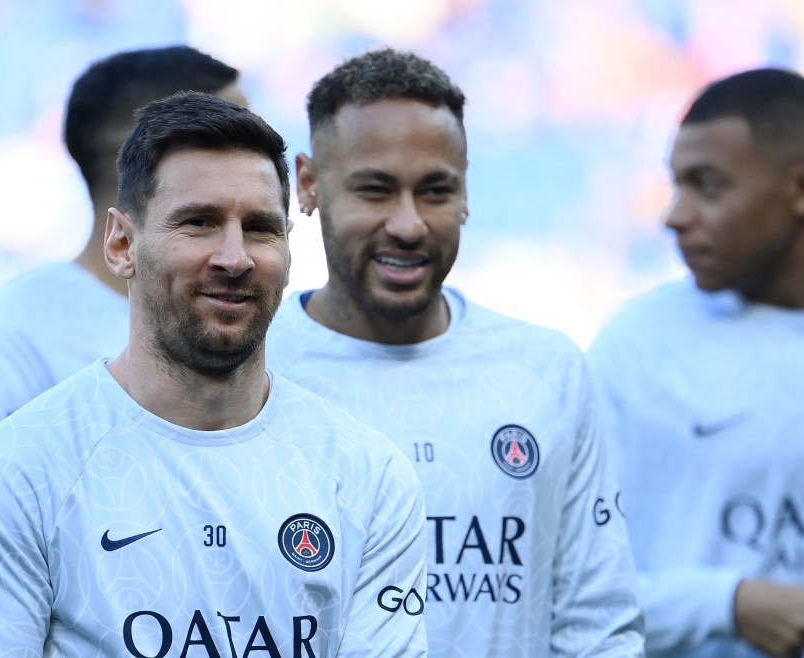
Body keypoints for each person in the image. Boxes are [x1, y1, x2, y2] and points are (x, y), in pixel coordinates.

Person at [0, 92, 428, 657]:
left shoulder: (367, 474)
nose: (235, 257)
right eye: (199, 223)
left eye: (261, 228)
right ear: (123, 245)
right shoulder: (18, 469)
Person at [265, 48, 644, 657]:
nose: (409, 224)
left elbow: (597, 624)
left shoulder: (544, 371)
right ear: (308, 185)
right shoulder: (253, 373)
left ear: (466, 192)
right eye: (375, 191)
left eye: (435, 191)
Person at [586, 68, 804, 658]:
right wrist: (725, 604)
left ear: (803, 189)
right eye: (676, 184)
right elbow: (572, 595)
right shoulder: (637, 346)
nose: (674, 215)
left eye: (708, 186)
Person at [0, 46, 248, 533]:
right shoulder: (8, 350)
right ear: (153, 157)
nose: (267, 162)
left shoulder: (241, 322)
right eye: (238, 140)